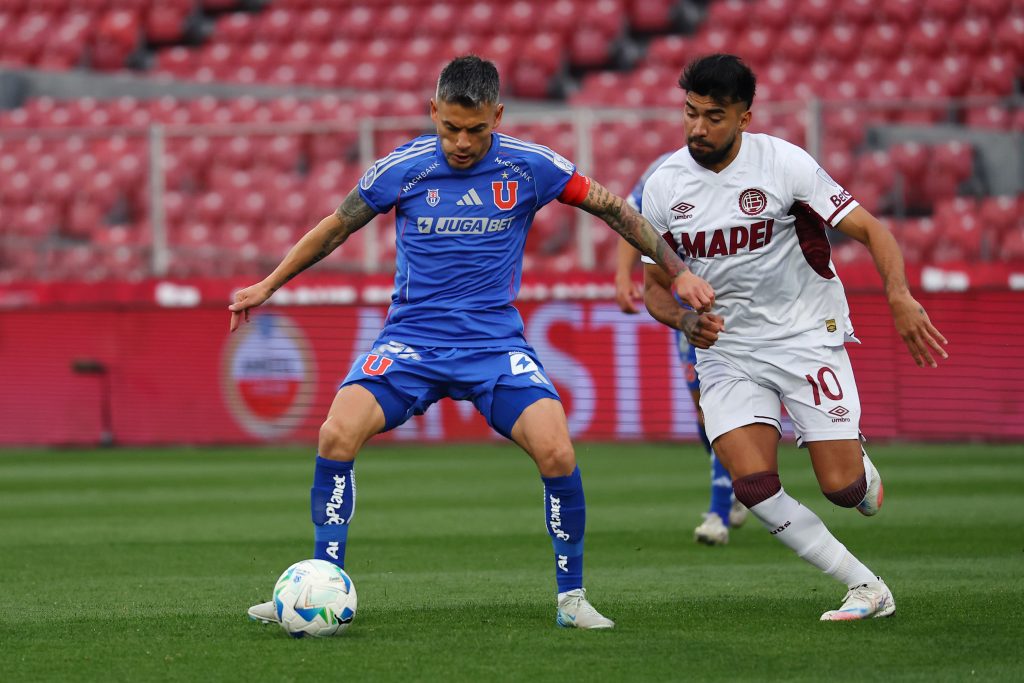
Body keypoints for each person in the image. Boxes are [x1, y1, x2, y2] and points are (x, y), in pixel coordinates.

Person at [230, 55, 713, 630]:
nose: (462, 142)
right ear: (433, 112)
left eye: (476, 129)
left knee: (557, 450)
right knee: (336, 432)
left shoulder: (530, 166)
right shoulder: (402, 169)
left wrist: (677, 269)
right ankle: (321, 581)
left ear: (497, 116)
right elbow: (336, 226)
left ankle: (572, 599)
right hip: (411, 341)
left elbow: (613, 207)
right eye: (450, 127)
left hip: (493, 345)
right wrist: (268, 284)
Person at [641, 54, 948, 620]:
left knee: (843, 491)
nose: (697, 128)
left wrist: (899, 296)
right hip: (727, 349)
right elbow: (654, 288)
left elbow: (871, 229)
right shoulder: (662, 187)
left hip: (804, 336)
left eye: (713, 116)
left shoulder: (785, 165)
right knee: (752, 484)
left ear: (744, 117)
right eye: (689, 113)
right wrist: (685, 321)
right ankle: (866, 588)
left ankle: (857, 466)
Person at [615, 158, 748, 546]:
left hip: (748, 305)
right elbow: (629, 216)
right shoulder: (664, 172)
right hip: (693, 306)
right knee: (704, 410)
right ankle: (738, 481)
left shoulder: (753, 167)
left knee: (720, 406)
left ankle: (718, 513)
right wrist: (624, 276)